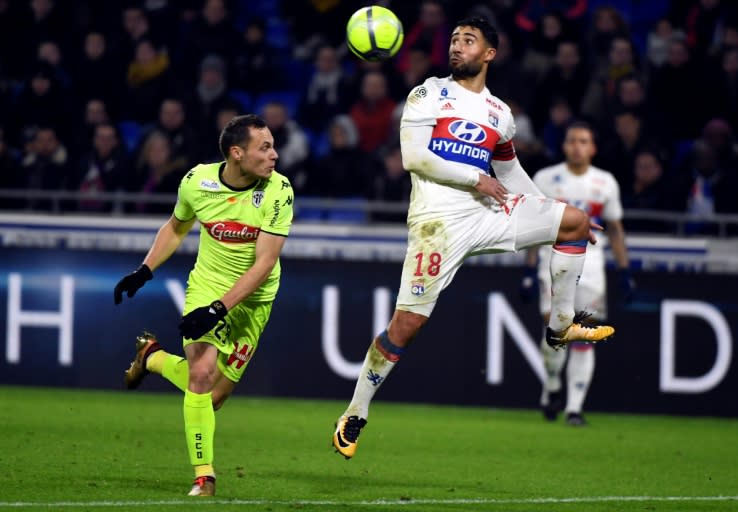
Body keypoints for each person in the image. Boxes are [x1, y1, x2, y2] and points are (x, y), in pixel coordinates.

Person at [332, 16, 614, 460]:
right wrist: (472, 178)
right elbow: (413, 157)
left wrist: (548, 209)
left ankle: (559, 329)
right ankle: (355, 410)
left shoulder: (500, 113)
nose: (457, 46)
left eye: (468, 41)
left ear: (489, 54)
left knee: (576, 221)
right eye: (454, 40)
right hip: (437, 222)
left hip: (489, 212)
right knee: (407, 326)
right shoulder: (427, 93)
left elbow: (507, 171)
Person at [113, 114, 293, 496]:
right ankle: (204, 476)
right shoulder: (197, 182)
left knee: (213, 398)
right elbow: (177, 226)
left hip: (254, 298)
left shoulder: (279, 192)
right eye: (265, 148)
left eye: (274, 146)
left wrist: (218, 310)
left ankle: (153, 358)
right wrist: (145, 270)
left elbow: (263, 265)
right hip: (208, 286)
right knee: (201, 374)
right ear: (237, 153)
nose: (275, 155)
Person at [520, 121, 632, 427]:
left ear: (593, 147)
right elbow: (533, 226)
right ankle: (554, 384)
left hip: (592, 261)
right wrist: (529, 269)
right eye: (572, 140)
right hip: (551, 258)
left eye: (583, 141)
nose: (577, 146)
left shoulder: (605, 182)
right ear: (564, 145)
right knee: (555, 329)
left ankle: (574, 408)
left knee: (585, 331)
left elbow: (615, 229)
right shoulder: (545, 178)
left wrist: (624, 270)